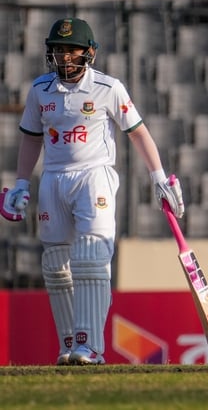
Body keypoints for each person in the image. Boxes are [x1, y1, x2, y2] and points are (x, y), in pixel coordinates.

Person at [0, 18, 184, 365]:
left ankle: (90, 345)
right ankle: (69, 344)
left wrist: (158, 176)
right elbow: (30, 138)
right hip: (54, 178)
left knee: (90, 257)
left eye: (71, 50)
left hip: (94, 176)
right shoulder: (40, 89)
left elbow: (137, 132)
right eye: (58, 50)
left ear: (89, 53)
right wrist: (22, 181)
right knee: (56, 265)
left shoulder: (108, 87)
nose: (64, 57)